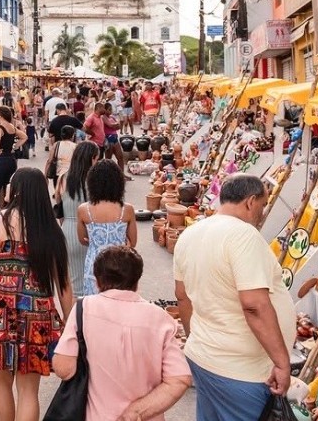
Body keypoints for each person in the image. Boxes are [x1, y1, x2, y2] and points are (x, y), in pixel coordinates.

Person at [173, 174, 295, 420]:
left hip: (205, 358)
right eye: (263, 205)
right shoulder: (244, 235)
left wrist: (198, 339)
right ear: (250, 202)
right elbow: (254, 306)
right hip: (239, 371)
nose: (262, 212)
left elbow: (182, 298)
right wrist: (282, 363)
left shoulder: (191, 233)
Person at [0, 167, 72, 421]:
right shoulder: (50, 229)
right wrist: (70, 323)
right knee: (28, 391)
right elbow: (64, 285)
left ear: (16, 190)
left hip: (0, 314)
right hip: (38, 316)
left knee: (1, 385)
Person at [52, 246, 191, 420]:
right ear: (137, 282)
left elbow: (64, 369)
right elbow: (180, 379)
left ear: (97, 281)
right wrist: (135, 412)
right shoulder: (160, 318)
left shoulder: (83, 308)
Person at [77, 159, 137, 296]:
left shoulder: (84, 210)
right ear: (119, 183)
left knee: (94, 302)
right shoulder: (127, 210)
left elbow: (82, 239)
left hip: (94, 264)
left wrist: (96, 243)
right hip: (121, 265)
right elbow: (132, 242)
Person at [56, 140, 99, 296]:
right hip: (89, 231)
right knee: (93, 281)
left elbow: (59, 207)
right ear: (92, 158)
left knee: (75, 283)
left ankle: (76, 310)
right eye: (97, 158)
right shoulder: (94, 180)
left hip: (68, 230)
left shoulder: (63, 178)